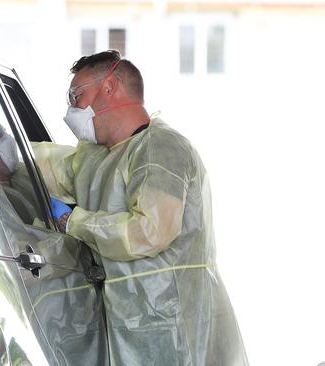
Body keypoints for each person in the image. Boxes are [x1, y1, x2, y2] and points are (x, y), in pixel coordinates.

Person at [32, 50, 248, 365]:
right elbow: (49, 168)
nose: (71, 108)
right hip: (129, 327)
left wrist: (71, 221)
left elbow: (149, 230)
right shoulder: (97, 157)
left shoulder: (162, 148)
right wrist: (4, 148)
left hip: (174, 327)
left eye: (76, 95)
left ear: (109, 87)